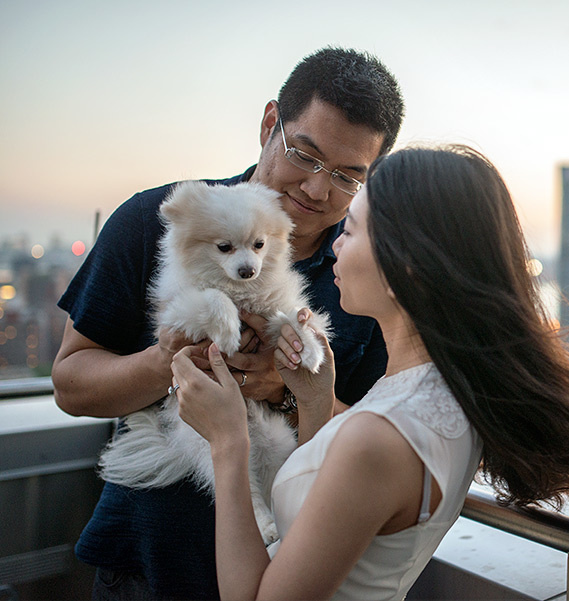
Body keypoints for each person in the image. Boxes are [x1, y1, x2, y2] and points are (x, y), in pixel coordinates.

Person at [170, 145, 569, 600]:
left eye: (352, 230)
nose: (335, 244)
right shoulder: (443, 396)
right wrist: (317, 400)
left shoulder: (380, 435)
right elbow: (332, 510)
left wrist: (227, 442)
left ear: (407, 269)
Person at [51, 47, 404, 599]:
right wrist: (168, 360)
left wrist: (285, 391)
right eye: (305, 156)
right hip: (141, 567)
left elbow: (377, 437)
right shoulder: (157, 221)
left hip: (285, 573)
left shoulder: (367, 276)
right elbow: (71, 385)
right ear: (270, 124)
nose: (317, 188)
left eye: (346, 176)